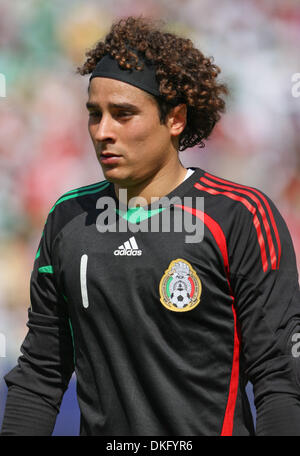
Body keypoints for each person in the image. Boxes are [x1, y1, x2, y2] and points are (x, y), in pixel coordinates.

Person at [1, 16, 300, 436]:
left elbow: (280, 379)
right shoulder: (67, 219)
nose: (103, 132)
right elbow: (40, 375)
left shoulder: (241, 215)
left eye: (123, 114)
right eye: (94, 114)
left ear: (175, 118)